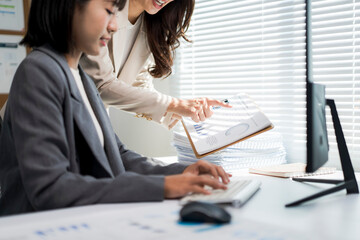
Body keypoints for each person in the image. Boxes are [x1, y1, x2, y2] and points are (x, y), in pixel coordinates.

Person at [0, 0, 230, 217]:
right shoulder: (38, 72)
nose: (114, 26)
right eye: (108, 11)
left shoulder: (83, 80)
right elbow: (50, 188)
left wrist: (179, 172)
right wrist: (160, 187)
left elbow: (117, 155)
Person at [81, 0, 231, 129]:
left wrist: (179, 110)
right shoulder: (98, 10)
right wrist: (173, 105)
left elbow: (138, 84)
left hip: (94, 127)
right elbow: (100, 85)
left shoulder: (150, 25)